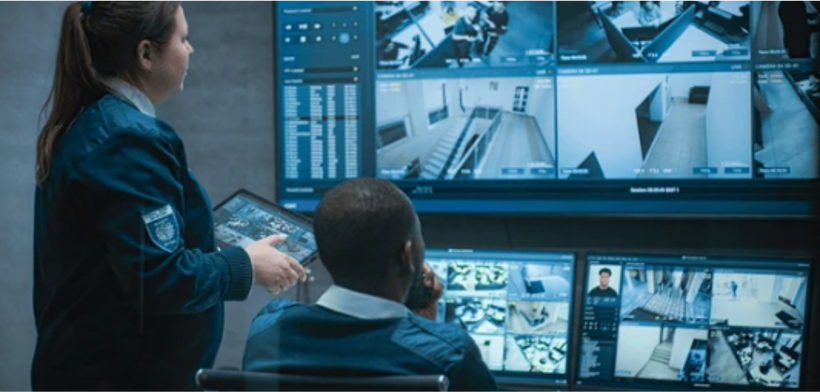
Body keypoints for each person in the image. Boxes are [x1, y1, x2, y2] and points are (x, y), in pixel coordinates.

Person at [33, 1, 305, 391]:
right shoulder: (126, 139)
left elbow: (138, 253)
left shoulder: (99, 122)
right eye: (183, 38)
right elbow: (160, 280)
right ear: (146, 54)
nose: (190, 49)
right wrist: (245, 265)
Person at [243, 178, 498, 392]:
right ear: (407, 254)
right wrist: (423, 325)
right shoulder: (450, 355)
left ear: (325, 251)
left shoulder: (267, 330)